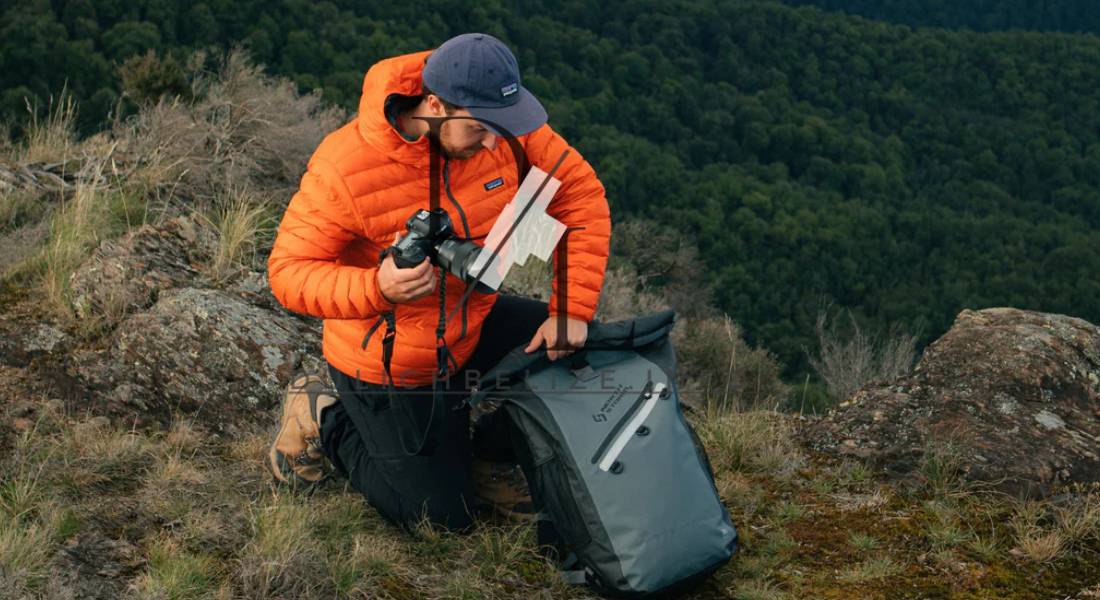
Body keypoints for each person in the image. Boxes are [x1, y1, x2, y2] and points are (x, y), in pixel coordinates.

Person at [265, 33, 611, 533]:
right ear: (435, 105)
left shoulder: (504, 127)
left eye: (503, 128)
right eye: (480, 129)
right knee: (440, 521)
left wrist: (570, 310)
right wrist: (376, 289)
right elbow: (288, 273)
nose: (495, 142)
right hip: (392, 360)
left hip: (471, 320)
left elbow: (579, 198)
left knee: (581, 350)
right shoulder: (345, 167)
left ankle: (488, 456)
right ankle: (323, 417)